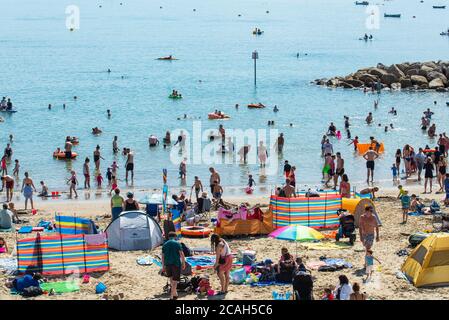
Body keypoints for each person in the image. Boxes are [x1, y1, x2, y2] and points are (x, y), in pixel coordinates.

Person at [162, 231, 186, 300]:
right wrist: (183, 263)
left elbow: (163, 256)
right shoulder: (177, 243)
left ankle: (175, 294)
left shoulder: (165, 244)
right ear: (175, 237)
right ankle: (172, 296)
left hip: (167, 264)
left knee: (171, 279)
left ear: (168, 237)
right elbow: (181, 254)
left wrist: (163, 266)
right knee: (175, 281)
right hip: (176, 264)